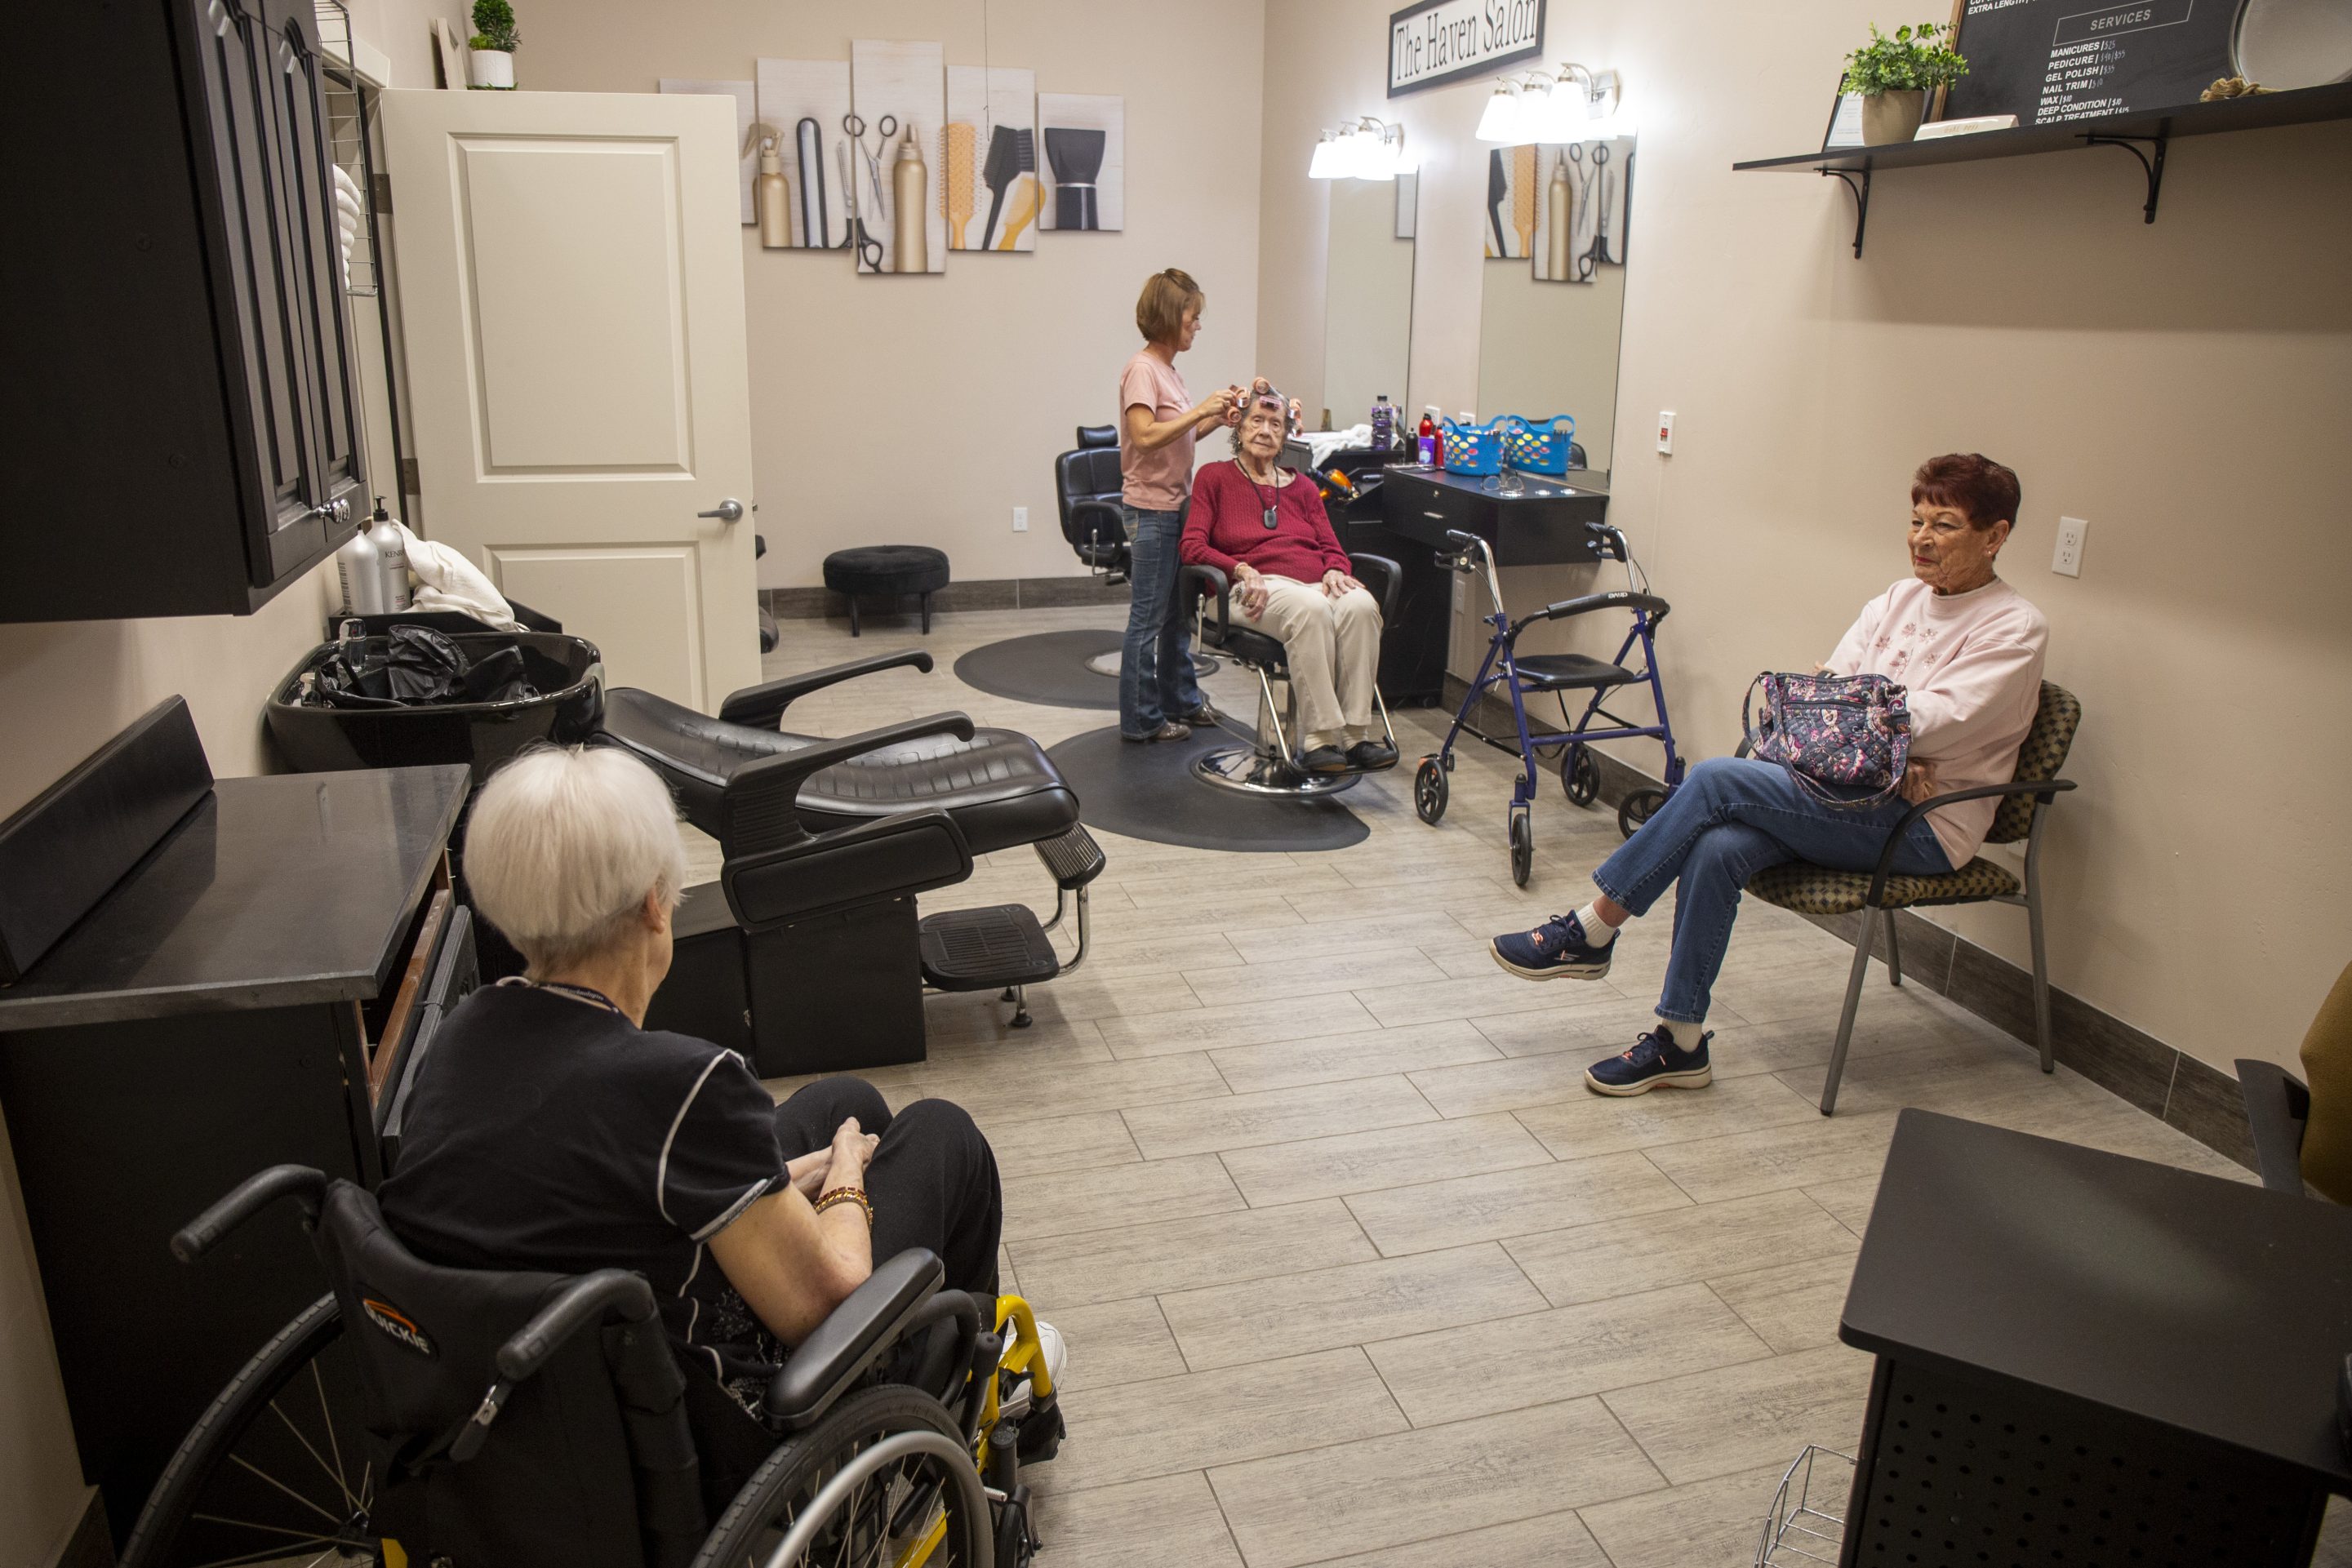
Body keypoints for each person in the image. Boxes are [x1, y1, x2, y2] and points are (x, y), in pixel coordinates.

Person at [376, 744, 1056, 1491]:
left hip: (528, 1404)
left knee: (844, 1101)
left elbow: (594, 1189)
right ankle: (964, 1392)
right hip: (707, 1427)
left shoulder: (460, 1036)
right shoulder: (685, 1084)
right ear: (652, 903)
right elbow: (826, 1298)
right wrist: (847, 1171)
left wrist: (785, 1178)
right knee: (941, 1132)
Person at [1489, 453, 2048, 1095]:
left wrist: (1864, 723)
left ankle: (1591, 928)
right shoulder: (1897, 599)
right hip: (1845, 794)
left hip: (1921, 824)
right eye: (1916, 520)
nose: (1921, 538)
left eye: (1943, 525)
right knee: (1719, 845)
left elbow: (1936, 722)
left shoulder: (2015, 628)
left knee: (1715, 780)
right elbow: (1829, 697)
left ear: (1994, 535)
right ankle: (1680, 1041)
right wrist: (1878, 732)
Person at [1180, 384, 1397, 773]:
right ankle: (1320, 740)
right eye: (1257, 421)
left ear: (1286, 435)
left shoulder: (1304, 488)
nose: (1265, 431)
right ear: (1239, 427)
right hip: (1245, 590)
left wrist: (1335, 569)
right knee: (1311, 609)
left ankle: (1356, 736)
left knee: (1361, 605)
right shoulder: (1214, 477)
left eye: (1275, 424)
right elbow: (1192, 547)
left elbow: (1332, 548)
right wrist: (1240, 569)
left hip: (1310, 586)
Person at [1118, 268, 1238, 743]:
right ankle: (1141, 719)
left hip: (1172, 507)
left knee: (1175, 617)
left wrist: (1214, 418)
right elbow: (1145, 436)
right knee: (1147, 621)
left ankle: (1180, 700)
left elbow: (1177, 436)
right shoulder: (1142, 370)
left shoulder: (1168, 371)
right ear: (1171, 316)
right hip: (1151, 511)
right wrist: (1201, 409)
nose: (1198, 325)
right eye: (1193, 316)